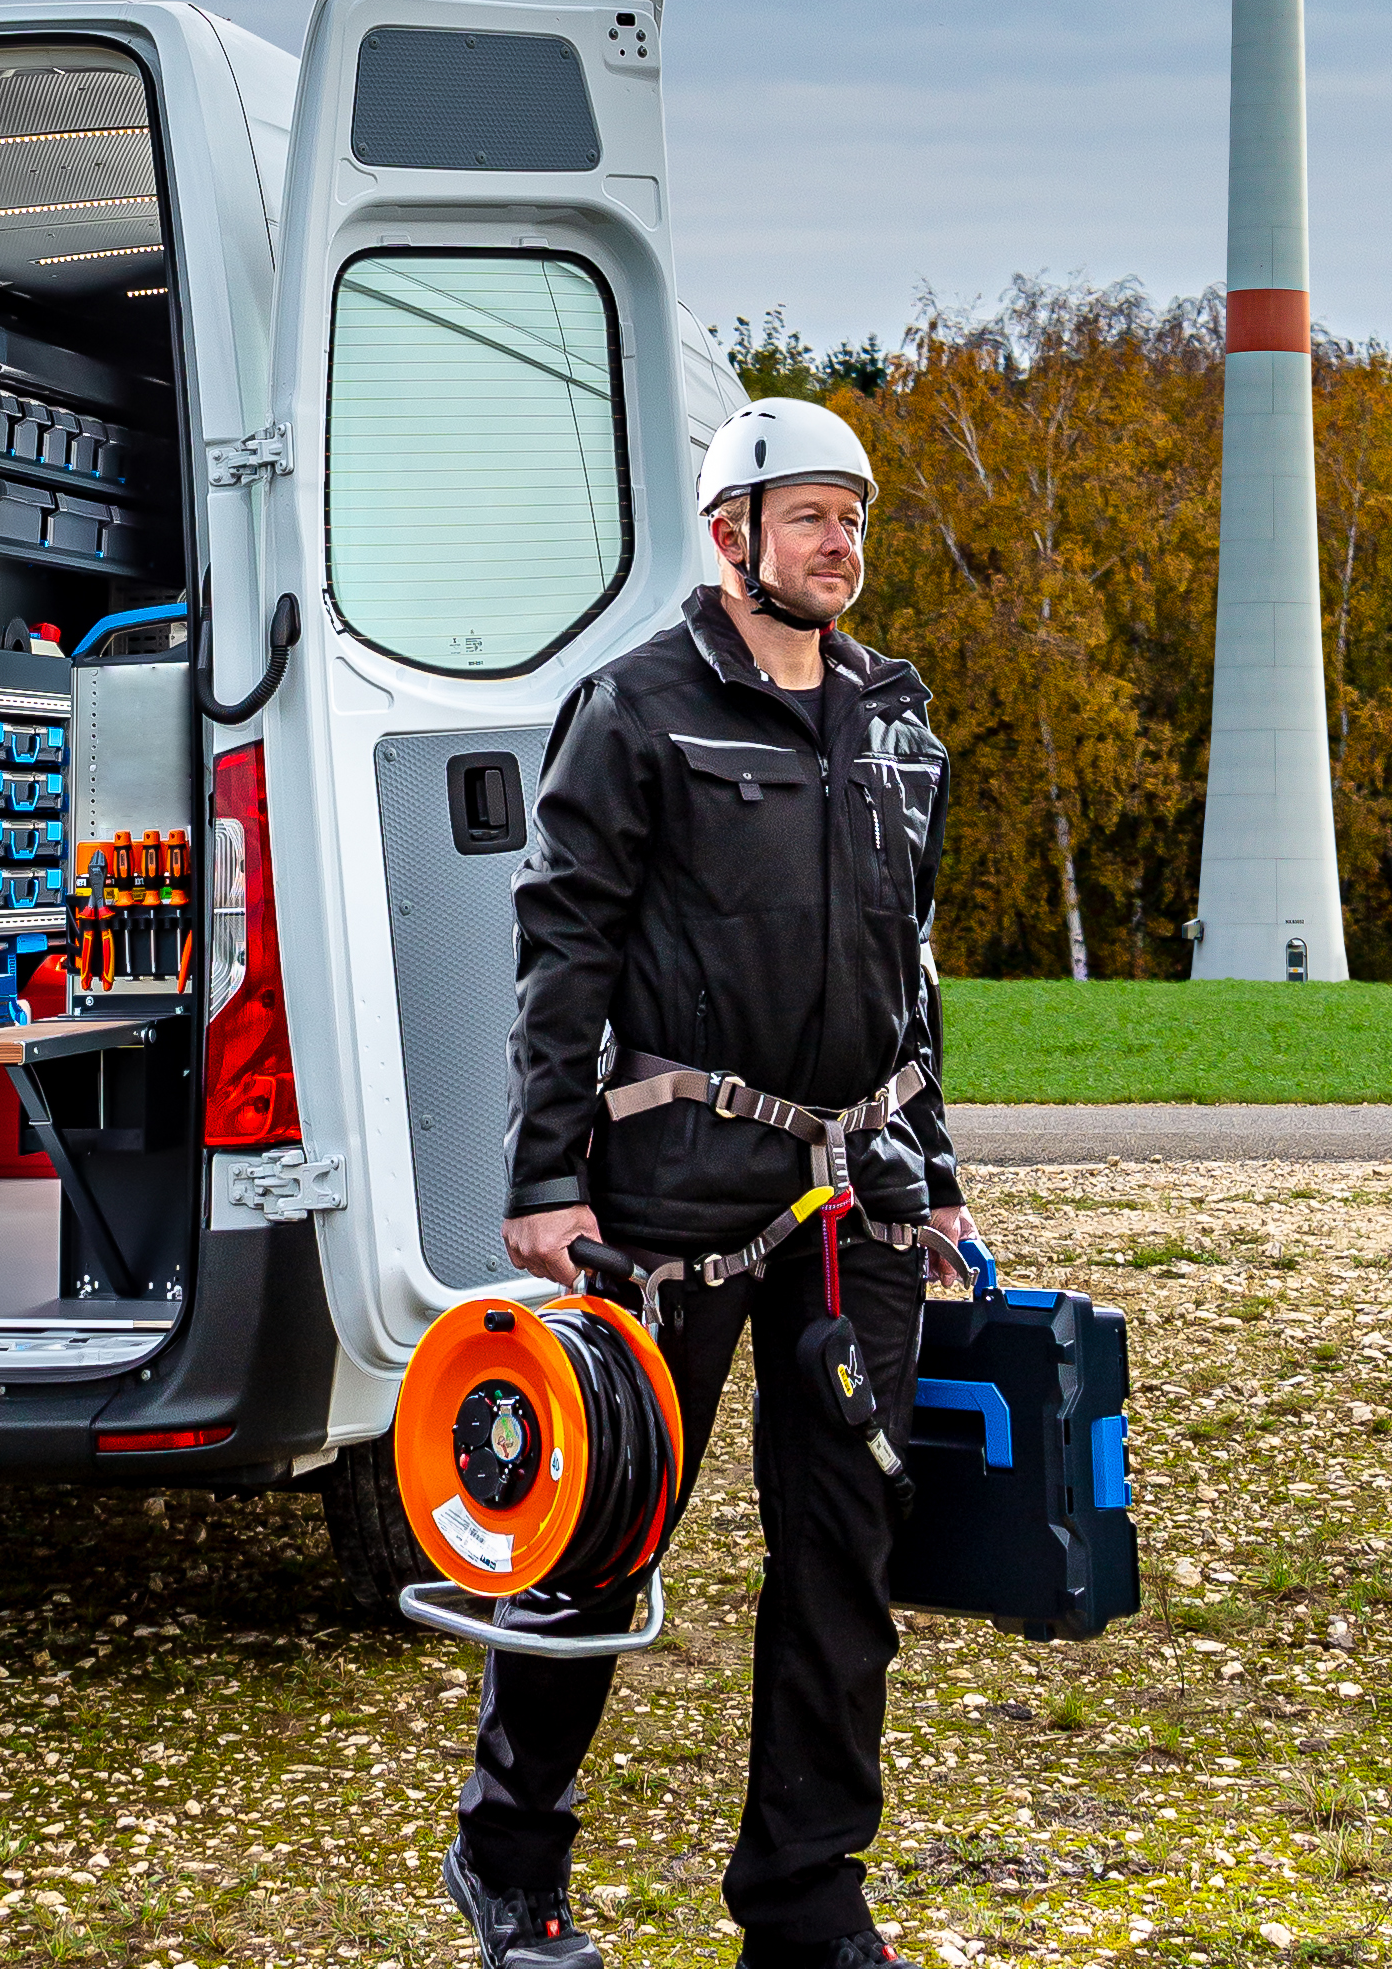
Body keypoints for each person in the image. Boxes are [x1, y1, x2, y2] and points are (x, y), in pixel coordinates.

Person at [443, 399, 971, 1969]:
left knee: (843, 1563)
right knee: (601, 1535)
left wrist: (933, 1174)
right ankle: (509, 1858)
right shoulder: (639, 709)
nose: (841, 547)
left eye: (855, 520)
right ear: (730, 530)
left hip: (856, 1202)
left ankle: (807, 1905)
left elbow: (913, 970)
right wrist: (548, 1174)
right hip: (673, 1199)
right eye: (810, 516)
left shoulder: (896, 721)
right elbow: (563, 950)